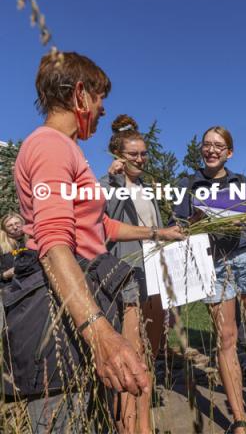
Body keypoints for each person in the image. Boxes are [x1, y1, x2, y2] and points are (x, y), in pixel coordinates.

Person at [7, 51, 183, 433]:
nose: (104, 111)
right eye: (101, 98)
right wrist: (100, 333)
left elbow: (99, 226)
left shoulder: (71, 150)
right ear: (81, 94)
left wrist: (158, 233)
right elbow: (54, 242)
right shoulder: (49, 146)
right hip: (64, 315)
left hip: (89, 293)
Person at [172, 126, 246, 434]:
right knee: (226, 339)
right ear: (201, 149)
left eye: (219, 145)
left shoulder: (241, 182)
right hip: (211, 262)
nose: (211, 149)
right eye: (207, 144)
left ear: (229, 152)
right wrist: (194, 222)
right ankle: (239, 418)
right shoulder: (187, 184)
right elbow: (177, 227)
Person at [100, 113, 172, 432]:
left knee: (149, 356)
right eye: (134, 154)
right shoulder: (107, 186)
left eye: (144, 153)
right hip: (127, 273)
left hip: (154, 274)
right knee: (132, 354)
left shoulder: (148, 189)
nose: (141, 159)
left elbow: (156, 228)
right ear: (119, 156)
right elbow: (105, 226)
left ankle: (143, 422)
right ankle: (128, 425)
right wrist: (111, 179)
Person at [0, 213, 26, 285]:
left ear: (23, 223)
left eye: (17, 223)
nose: (15, 227)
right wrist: (5, 275)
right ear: (4, 229)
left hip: (36, 281)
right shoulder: (2, 247)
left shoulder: (32, 240)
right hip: (12, 288)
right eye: (10, 226)